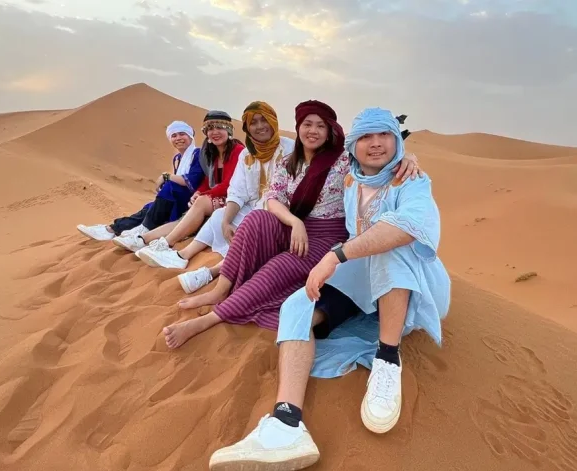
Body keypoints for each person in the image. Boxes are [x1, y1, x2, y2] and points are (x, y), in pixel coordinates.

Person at [207, 107, 451, 471]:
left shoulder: (412, 180)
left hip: (412, 278)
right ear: (353, 146)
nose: (375, 144)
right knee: (298, 305)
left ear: (397, 141)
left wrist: (334, 256)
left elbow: (408, 227)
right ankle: (287, 422)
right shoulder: (350, 178)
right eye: (366, 137)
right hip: (362, 274)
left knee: (391, 248)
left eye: (384, 135)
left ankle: (388, 360)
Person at [158, 101, 423, 350]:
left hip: (325, 236)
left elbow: (378, 160)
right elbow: (273, 198)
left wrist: (408, 156)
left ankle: (210, 319)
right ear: (298, 127)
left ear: (330, 130)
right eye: (308, 124)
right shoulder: (288, 162)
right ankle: (220, 290)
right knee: (256, 219)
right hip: (295, 227)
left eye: (321, 125)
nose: (313, 131)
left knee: (278, 267)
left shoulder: (343, 160)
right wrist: (294, 222)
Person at [136, 101, 294, 295]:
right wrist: (227, 220)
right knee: (220, 216)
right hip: (251, 205)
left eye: (264, 120)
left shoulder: (290, 149)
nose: (260, 126)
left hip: (279, 211)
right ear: (246, 127)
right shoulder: (246, 153)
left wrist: (204, 194)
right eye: (253, 123)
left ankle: (212, 272)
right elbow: (237, 190)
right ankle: (181, 255)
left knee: (251, 226)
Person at [111, 110, 245, 253]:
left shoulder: (238, 150)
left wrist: (203, 194)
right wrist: (199, 192)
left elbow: (230, 183)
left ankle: (166, 243)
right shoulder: (211, 153)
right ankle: (142, 239)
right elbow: (207, 179)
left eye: (220, 127)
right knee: (183, 219)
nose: (215, 132)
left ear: (229, 130)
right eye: (210, 128)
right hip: (214, 196)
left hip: (233, 198)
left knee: (197, 203)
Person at [76, 121, 203, 241]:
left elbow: (192, 180)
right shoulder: (177, 158)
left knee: (168, 187)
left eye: (182, 134)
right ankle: (112, 229)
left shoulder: (198, 153)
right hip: (177, 197)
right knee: (150, 207)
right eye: (174, 135)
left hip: (192, 201)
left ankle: (145, 228)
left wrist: (166, 176)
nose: (178, 138)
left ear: (190, 136)